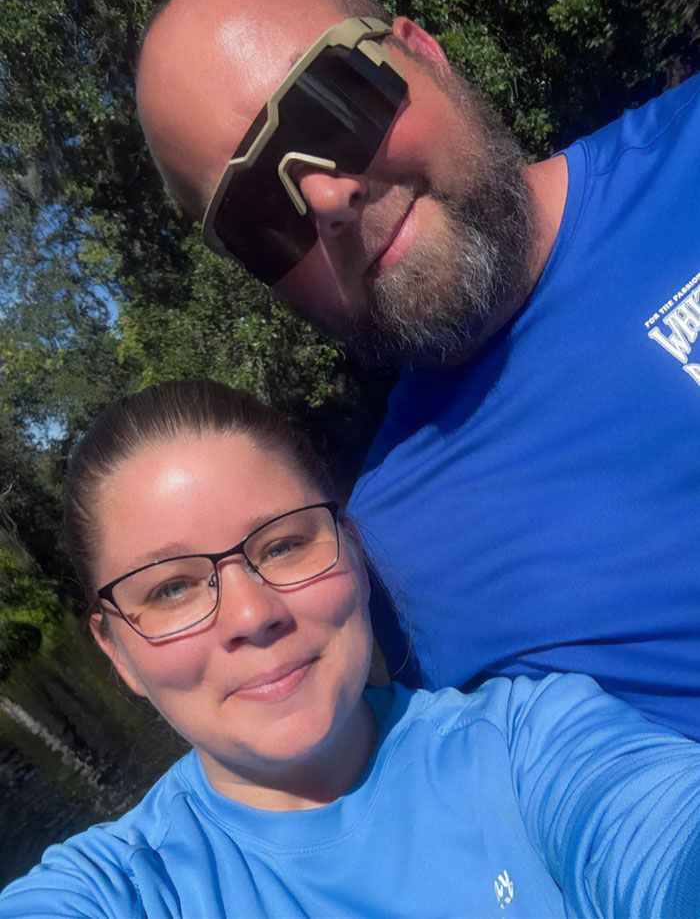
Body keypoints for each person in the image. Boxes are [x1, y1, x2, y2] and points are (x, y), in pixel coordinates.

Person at [135, 0, 700, 740]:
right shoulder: (388, 586)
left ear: (423, 52)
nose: (328, 198)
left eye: (331, 106)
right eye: (258, 212)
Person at [0, 378, 698, 919]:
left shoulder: (525, 746)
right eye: (172, 588)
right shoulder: (126, 889)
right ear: (119, 652)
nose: (251, 613)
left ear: (353, 553)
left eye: (284, 544)